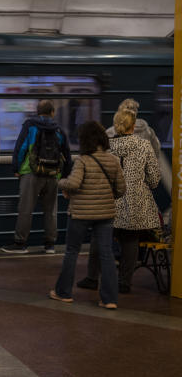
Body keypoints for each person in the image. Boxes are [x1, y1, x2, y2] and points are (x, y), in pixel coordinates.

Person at [79, 109, 159, 293]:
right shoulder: (145, 146)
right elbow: (154, 180)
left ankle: (92, 278)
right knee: (130, 240)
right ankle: (124, 283)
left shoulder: (106, 148)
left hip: (109, 199)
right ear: (133, 126)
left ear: (116, 125)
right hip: (136, 202)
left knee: (99, 238)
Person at [50, 121, 125, 309]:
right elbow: (121, 189)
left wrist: (60, 183)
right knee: (107, 254)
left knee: (72, 251)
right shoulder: (112, 160)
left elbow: (74, 184)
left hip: (81, 214)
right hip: (106, 214)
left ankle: (63, 292)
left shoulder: (83, 160)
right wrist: (107, 197)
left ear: (85, 140)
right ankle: (109, 299)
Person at [2, 100, 72, 254]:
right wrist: (64, 175)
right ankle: (50, 244)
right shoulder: (59, 130)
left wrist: (16, 168)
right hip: (53, 174)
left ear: (37, 112)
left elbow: (21, 147)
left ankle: (20, 244)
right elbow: (66, 154)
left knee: (26, 209)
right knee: (51, 210)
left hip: (31, 172)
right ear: (52, 112)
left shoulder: (30, 126)